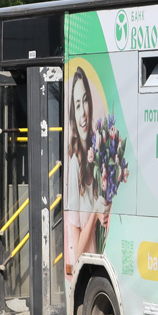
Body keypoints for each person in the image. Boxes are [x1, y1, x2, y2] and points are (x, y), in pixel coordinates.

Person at [63, 66, 110, 280]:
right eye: (77, 105)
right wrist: (95, 210)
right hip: (88, 273)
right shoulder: (74, 163)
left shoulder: (100, 154)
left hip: (105, 261)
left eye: (86, 101)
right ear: (73, 112)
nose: (83, 112)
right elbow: (78, 252)